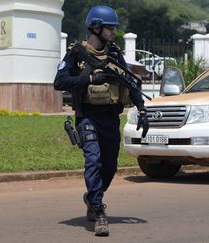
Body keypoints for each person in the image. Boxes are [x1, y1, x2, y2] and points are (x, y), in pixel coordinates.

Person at [53, 5, 149, 237]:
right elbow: (59, 81)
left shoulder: (115, 54)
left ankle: (92, 196)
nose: (113, 31)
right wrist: (89, 77)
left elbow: (129, 82)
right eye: (109, 27)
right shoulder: (77, 53)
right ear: (96, 27)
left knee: (110, 167)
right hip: (87, 116)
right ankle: (98, 209)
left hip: (109, 117)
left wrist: (142, 109)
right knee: (93, 161)